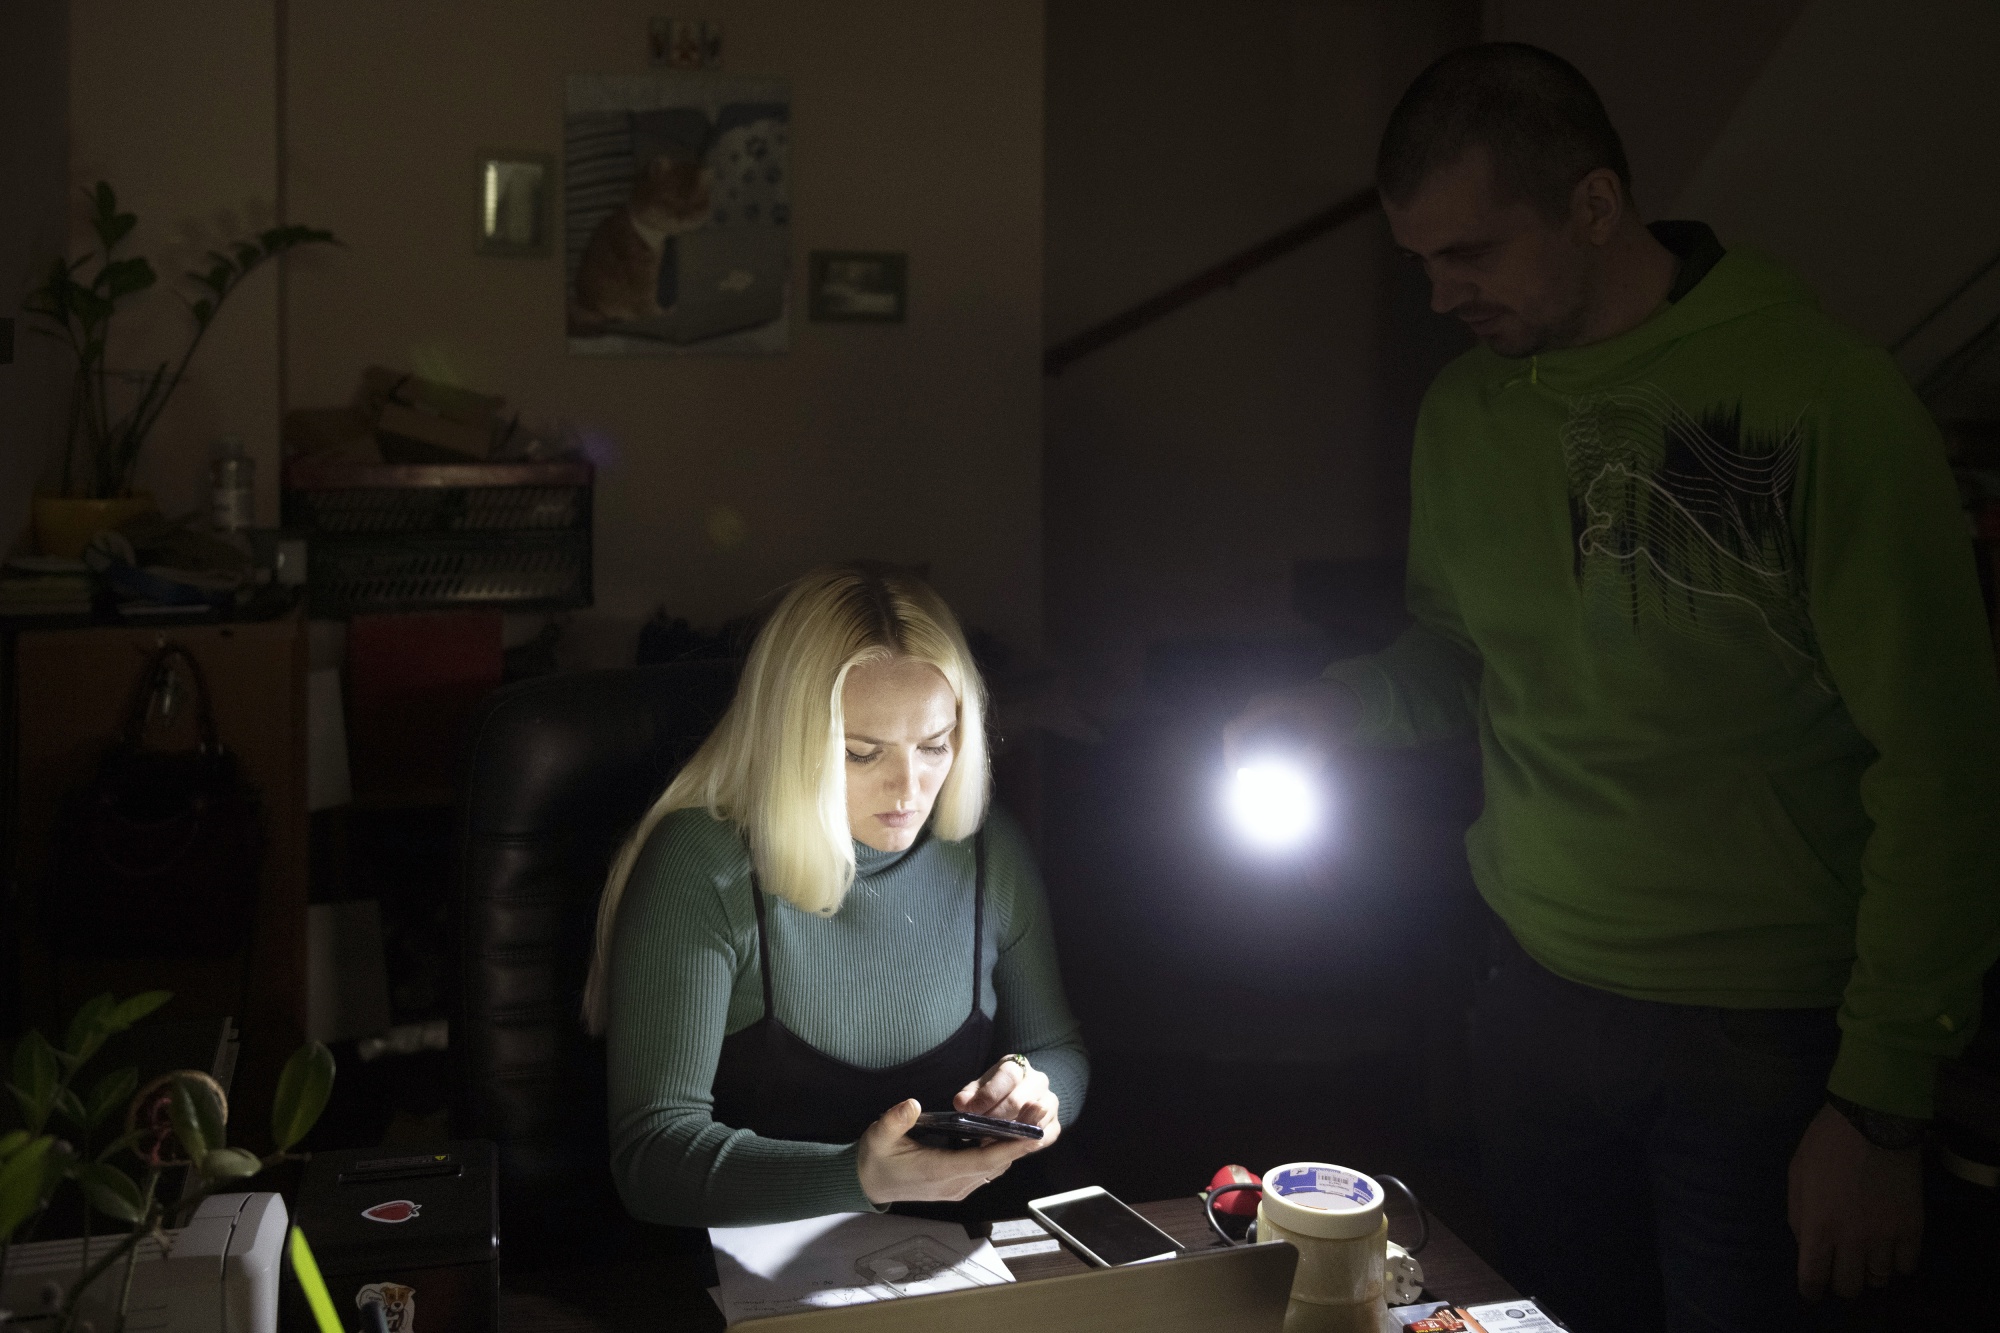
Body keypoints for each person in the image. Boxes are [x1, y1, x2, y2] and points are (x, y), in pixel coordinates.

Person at [1228, 43, 2000, 1333]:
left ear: (1592, 205)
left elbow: (1944, 763)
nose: (1439, 295)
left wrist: (1879, 1099)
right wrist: (1330, 706)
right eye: (1418, 261)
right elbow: (1459, 652)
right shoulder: (1466, 411)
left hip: (1763, 1034)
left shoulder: (1822, 397)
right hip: (1533, 994)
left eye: (1469, 253)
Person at [586, 564, 1088, 1226]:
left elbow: (1059, 1048)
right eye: (861, 753)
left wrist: (1032, 1089)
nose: (910, 788)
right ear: (789, 738)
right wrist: (858, 1177)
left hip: (966, 1263)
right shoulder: (701, 862)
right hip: (753, 1273)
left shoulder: (991, 850)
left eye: (935, 745)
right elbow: (651, 1159)